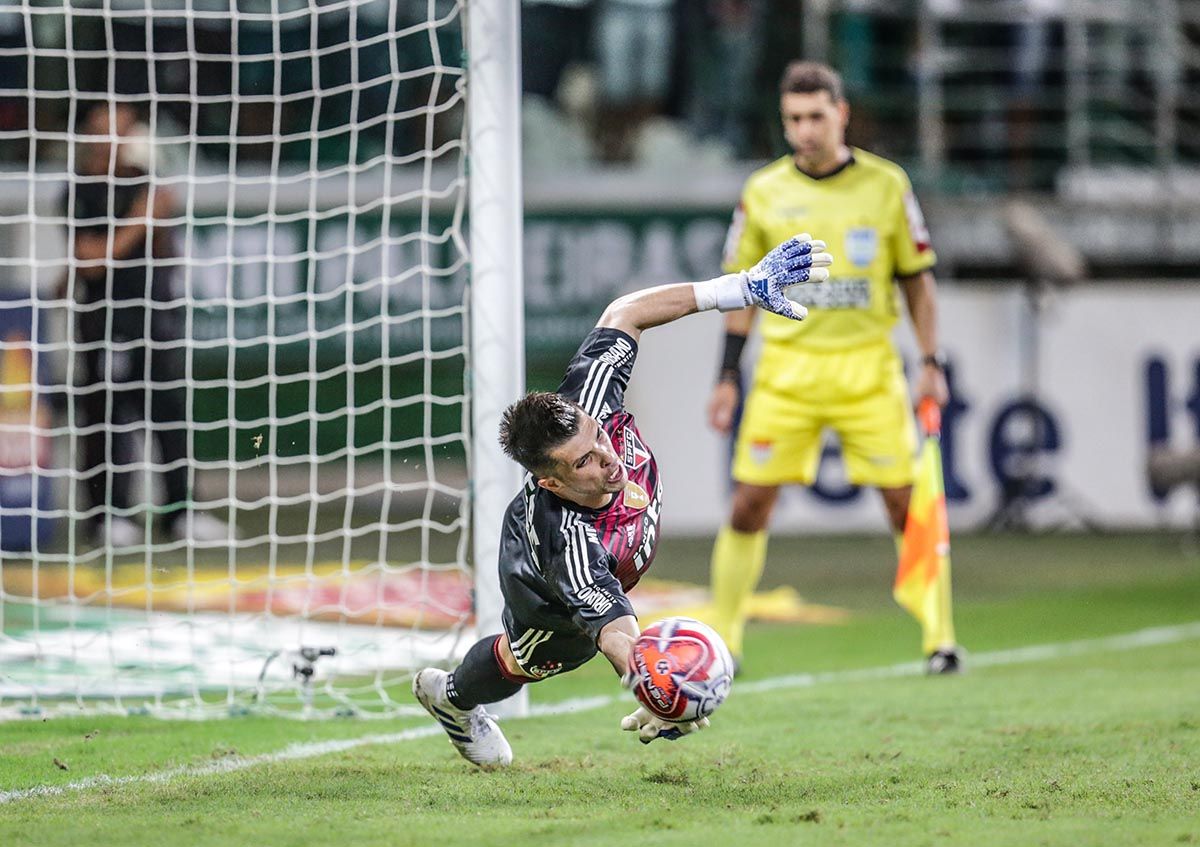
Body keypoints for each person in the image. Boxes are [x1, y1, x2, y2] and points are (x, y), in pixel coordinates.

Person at [412, 234, 833, 767]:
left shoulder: (589, 401)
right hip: (545, 591)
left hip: (613, 542)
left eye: (600, 438)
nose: (608, 457)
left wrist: (739, 287)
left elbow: (625, 312)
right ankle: (452, 700)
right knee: (533, 658)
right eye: (584, 461)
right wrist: (652, 684)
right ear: (553, 483)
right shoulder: (569, 544)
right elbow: (615, 629)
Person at [705, 61, 962, 675]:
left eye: (816, 116)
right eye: (793, 119)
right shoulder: (763, 191)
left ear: (841, 114)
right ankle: (726, 639)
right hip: (787, 374)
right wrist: (726, 376)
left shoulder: (886, 184)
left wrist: (930, 361)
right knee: (748, 504)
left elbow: (917, 284)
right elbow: (741, 293)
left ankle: (940, 638)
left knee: (905, 502)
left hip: (868, 372)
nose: (805, 130)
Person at [63, 101, 230, 547]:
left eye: (123, 130)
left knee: (169, 413)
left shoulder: (143, 181)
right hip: (105, 319)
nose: (116, 141)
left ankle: (181, 511)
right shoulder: (80, 190)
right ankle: (107, 516)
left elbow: (163, 248)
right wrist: (141, 219)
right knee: (109, 419)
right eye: (106, 130)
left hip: (154, 313)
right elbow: (90, 260)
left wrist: (158, 221)